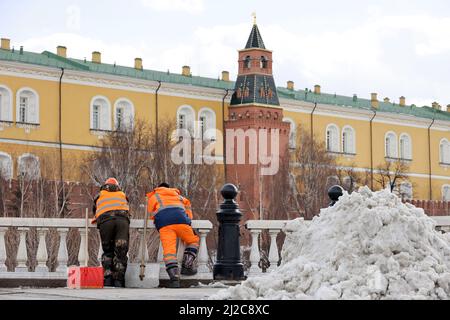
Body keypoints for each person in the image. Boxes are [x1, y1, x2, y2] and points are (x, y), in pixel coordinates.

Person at [146, 183, 199, 288]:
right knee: (193, 240)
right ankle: (187, 266)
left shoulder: (154, 197)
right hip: (182, 221)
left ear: (158, 188)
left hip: (165, 224)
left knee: (169, 252)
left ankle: (174, 279)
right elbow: (188, 204)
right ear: (169, 188)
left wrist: (157, 220)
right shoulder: (178, 196)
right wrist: (188, 218)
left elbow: (151, 213)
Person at [92, 177, 131, 288]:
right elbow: (128, 208)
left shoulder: (99, 195)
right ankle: (119, 281)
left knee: (108, 250)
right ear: (117, 186)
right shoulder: (122, 194)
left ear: (105, 185)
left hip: (106, 222)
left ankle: (108, 279)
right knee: (121, 252)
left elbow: (95, 210)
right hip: (122, 222)